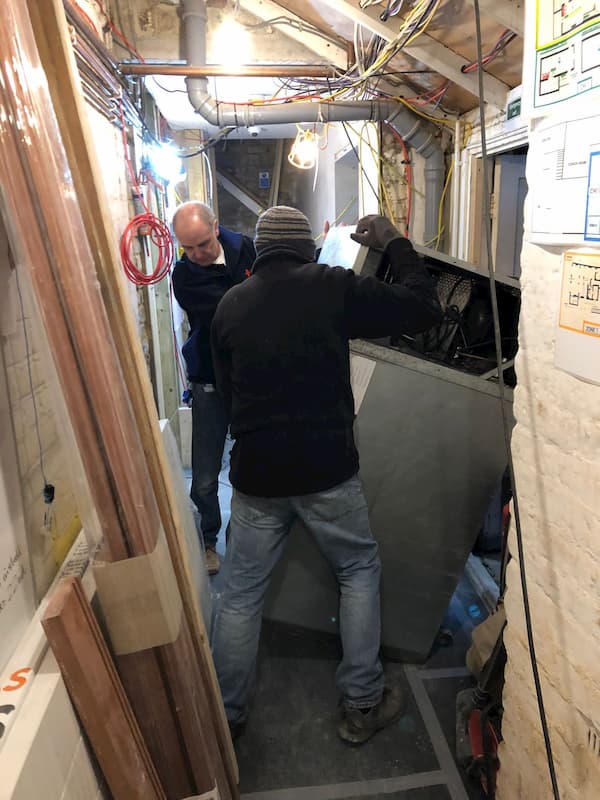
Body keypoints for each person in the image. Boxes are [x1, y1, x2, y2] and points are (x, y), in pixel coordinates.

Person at [210, 206, 441, 744]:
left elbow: (226, 393)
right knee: (357, 568)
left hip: (257, 474)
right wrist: (394, 243)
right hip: (327, 469)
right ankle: (361, 704)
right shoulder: (333, 287)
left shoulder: (230, 305)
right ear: (308, 248)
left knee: (241, 594)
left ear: (261, 252)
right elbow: (424, 308)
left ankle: (226, 717)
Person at [172, 201, 255, 575]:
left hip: (251, 377)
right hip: (208, 377)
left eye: (203, 244)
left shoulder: (248, 250)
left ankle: (244, 540)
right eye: (187, 248)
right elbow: (226, 316)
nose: (197, 255)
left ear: (216, 227)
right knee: (205, 474)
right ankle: (208, 540)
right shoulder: (183, 276)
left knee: (251, 464)